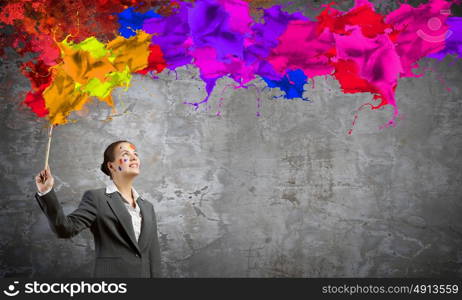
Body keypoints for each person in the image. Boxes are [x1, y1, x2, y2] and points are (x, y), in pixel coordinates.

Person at [34, 140, 162, 278]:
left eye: (135, 154)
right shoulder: (97, 198)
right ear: (111, 166)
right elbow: (65, 229)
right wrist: (46, 192)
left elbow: (153, 256)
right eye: (126, 154)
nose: (134, 157)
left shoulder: (147, 207)